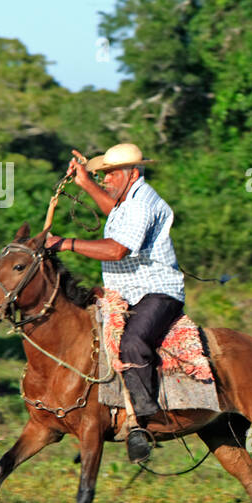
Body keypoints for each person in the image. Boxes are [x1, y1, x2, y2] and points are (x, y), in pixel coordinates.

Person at [46, 143, 185, 463]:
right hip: (124, 292)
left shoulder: (144, 203)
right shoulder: (129, 199)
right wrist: (85, 182)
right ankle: (96, 418)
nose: (105, 179)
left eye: (110, 174)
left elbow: (116, 250)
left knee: (133, 343)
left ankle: (145, 423)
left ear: (133, 174)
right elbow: (114, 210)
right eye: (103, 174)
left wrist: (65, 243)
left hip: (157, 292)